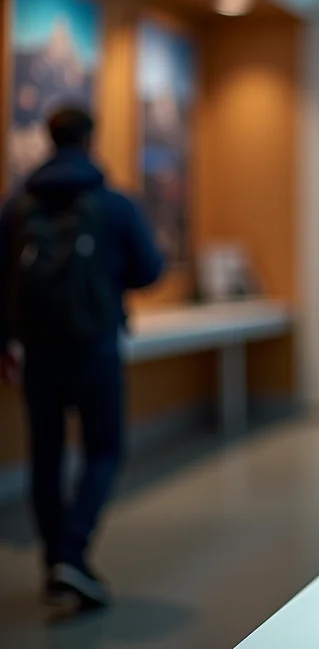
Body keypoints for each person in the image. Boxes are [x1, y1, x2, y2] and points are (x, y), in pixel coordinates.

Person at [0, 106, 164, 611]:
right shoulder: (115, 204)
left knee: (45, 458)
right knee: (103, 451)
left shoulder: (19, 205)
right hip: (95, 347)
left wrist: (4, 339)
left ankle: (55, 562)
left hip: (38, 352)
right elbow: (150, 269)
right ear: (91, 139)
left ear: (49, 139)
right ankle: (72, 554)